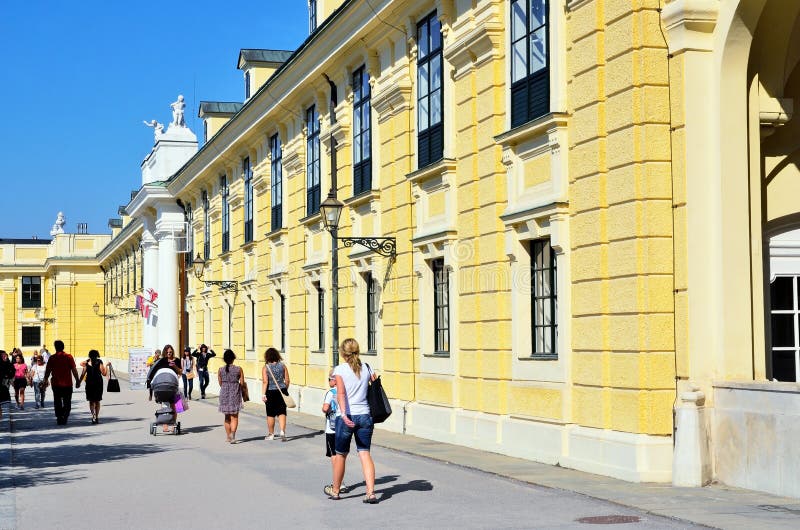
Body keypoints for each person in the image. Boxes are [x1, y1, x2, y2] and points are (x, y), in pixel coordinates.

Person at [325, 338, 378, 503]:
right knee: (365, 453)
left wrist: (344, 414)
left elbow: (340, 393)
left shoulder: (340, 369)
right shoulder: (367, 367)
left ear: (342, 353)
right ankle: (370, 493)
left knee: (341, 455)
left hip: (346, 416)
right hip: (365, 415)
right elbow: (376, 385)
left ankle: (335, 491)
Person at [322, 370, 350, 493]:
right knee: (342, 455)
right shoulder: (345, 391)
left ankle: (338, 483)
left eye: (329, 379)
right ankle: (341, 482)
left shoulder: (331, 392)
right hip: (343, 425)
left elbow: (325, 408)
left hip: (331, 428)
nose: (329, 382)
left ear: (334, 380)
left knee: (334, 455)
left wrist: (326, 410)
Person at [44, 340, 80, 426]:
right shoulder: (69, 357)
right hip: (67, 384)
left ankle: (59, 417)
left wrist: (45, 380)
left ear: (55, 347)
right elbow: (74, 370)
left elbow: (48, 371)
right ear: (63, 347)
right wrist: (77, 380)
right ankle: (65, 416)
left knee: (57, 401)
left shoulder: (52, 358)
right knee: (67, 402)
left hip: (56, 384)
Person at [261, 347, 290, 441]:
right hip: (282, 390)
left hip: (270, 392)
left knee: (270, 413)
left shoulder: (266, 367)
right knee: (282, 412)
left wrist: (263, 394)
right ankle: (282, 431)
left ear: (267, 356)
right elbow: (287, 380)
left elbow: (265, 382)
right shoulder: (283, 366)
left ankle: (271, 434)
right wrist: (284, 389)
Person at [218, 349, 244, 443]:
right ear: (233, 358)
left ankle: (228, 437)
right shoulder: (239, 369)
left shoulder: (220, 369)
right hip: (235, 393)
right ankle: (233, 435)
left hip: (224, 393)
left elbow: (220, 383)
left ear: (224, 359)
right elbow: (242, 383)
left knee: (227, 417)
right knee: (234, 416)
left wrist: (226, 387)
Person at [79, 350, 108, 424]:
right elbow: (104, 373)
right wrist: (106, 366)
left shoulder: (87, 363)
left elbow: (82, 374)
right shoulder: (99, 362)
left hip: (89, 384)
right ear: (97, 356)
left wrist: (78, 382)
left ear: (89, 356)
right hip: (98, 384)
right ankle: (96, 416)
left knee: (91, 401)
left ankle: (93, 415)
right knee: (97, 401)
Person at [0, 351, 14, 420]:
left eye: (5, 355)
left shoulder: (7, 364)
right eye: (3, 356)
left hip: (2, 386)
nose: (5, 357)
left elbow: (11, 373)